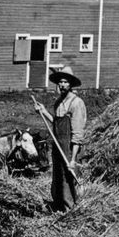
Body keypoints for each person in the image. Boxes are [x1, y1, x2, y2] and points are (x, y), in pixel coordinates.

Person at [33, 66, 87, 212]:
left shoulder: (76, 103)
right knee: (58, 177)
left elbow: (77, 134)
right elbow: (55, 123)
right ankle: (58, 208)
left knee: (68, 178)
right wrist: (43, 111)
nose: (62, 85)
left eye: (65, 82)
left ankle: (71, 210)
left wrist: (73, 160)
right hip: (58, 146)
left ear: (70, 84)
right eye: (60, 82)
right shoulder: (58, 103)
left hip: (69, 148)